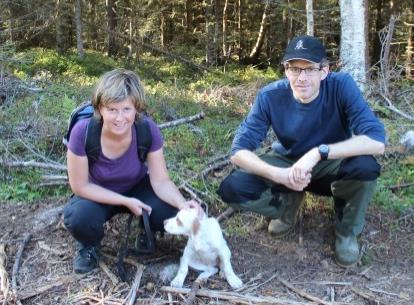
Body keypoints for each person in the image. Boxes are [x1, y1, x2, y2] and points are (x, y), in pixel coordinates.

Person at [218, 35, 386, 267]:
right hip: (287, 163)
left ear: (324, 71)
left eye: (310, 69)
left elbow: (376, 140)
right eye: (294, 69)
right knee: (233, 188)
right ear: (286, 70)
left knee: (365, 166)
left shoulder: (341, 86)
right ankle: (287, 204)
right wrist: (279, 176)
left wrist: (319, 152)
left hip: (330, 166)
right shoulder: (270, 96)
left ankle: (346, 230)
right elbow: (238, 151)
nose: (302, 78)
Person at [64, 68, 201, 273]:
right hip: (97, 191)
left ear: (136, 108)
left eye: (126, 109)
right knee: (80, 217)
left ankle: (147, 231)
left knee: (168, 209)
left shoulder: (146, 129)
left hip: (137, 186)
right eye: (112, 110)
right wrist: (124, 201)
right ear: (100, 108)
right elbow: (80, 185)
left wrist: (183, 204)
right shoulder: (83, 132)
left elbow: (161, 181)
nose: (120, 118)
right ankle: (89, 245)